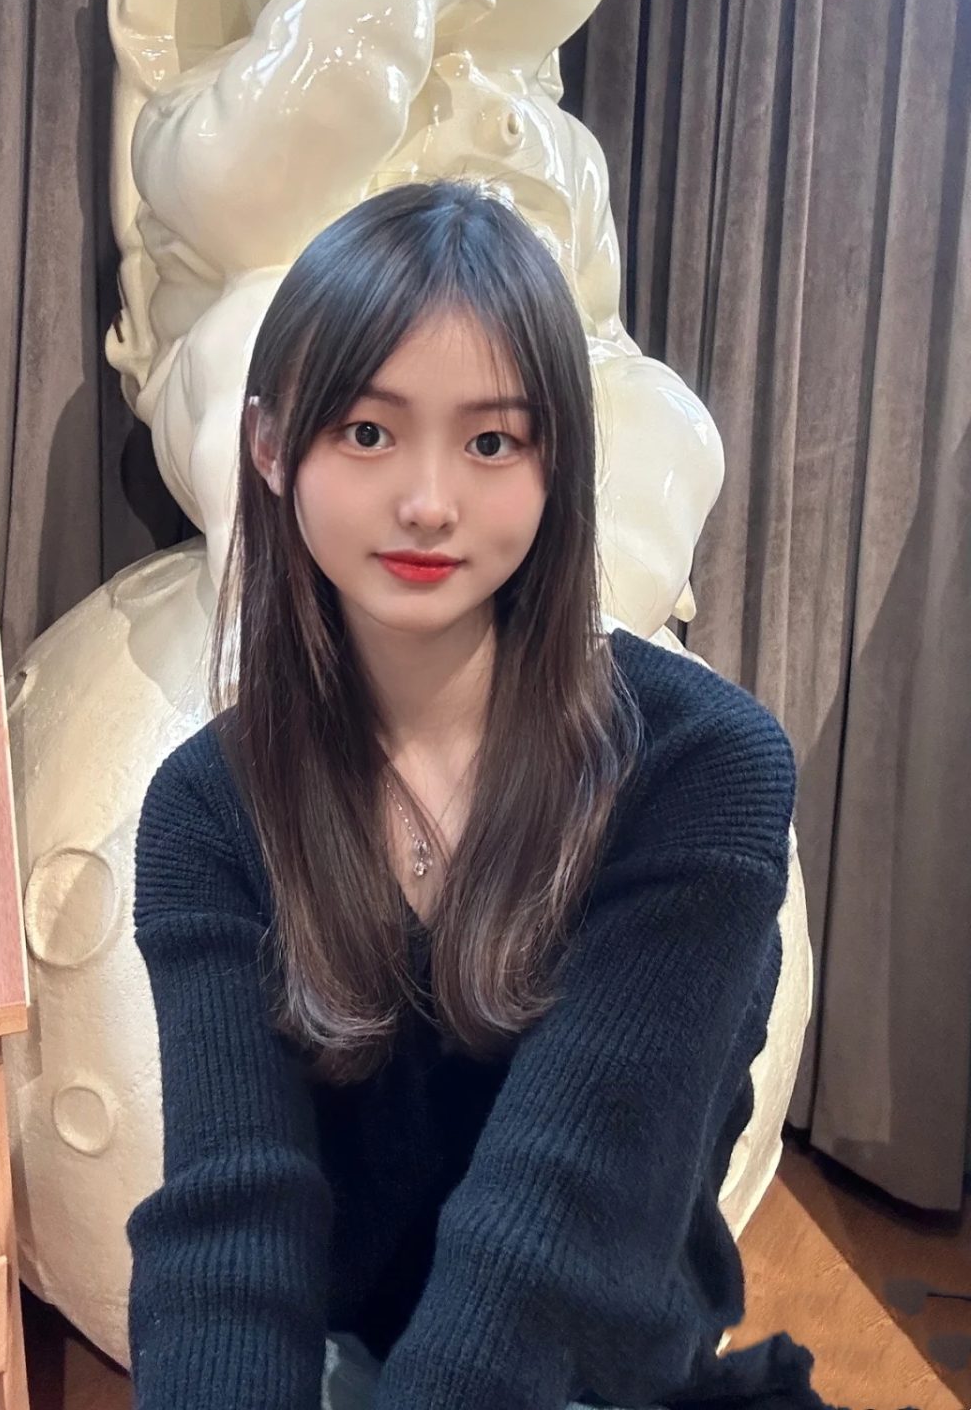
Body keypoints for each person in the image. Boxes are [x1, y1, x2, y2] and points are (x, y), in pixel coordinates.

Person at [125, 180, 905, 1410]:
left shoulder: (700, 769)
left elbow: (554, 1238)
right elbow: (236, 1224)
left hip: (590, 1374)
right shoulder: (210, 806)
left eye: (491, 443)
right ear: (272, 446)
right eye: (368, 432)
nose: (429, 500)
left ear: (557, 463)